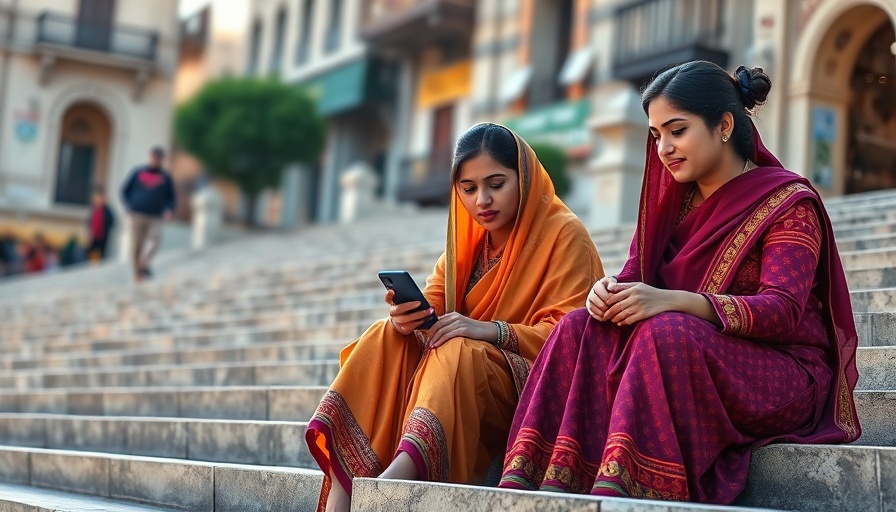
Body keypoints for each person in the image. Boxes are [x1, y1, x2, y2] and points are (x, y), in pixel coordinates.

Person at [499, 61, 861, 504]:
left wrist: (675, 302)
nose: (664, 148)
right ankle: (539, 485)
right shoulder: (672, 202)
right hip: (687, 350)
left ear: (724, 125)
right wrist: (607, 292)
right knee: (577, 326)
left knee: (665, 332)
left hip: (781, 371)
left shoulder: (788, 203)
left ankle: (630, 489)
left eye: (677, 131)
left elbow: (782, 312)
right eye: (655, 136)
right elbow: (636, 278)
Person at [305, 123, 605, 512]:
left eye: (496, 184)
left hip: (536, 384)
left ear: (525, 178)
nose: (483, 200)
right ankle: (345, 495)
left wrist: (490, 331)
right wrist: (404, 317)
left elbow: (573, 338)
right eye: (469, 188)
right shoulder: (467, 244)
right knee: (386, 335)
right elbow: (433, 301)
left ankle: (394, 483)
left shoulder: (564, 234)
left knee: (459, 347)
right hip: (460, 376)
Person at [121, 146, 175, 282]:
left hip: (155, 216)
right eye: (153, 157)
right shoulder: (137, 173)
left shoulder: (165, 177)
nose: (155, 160)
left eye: (158, 158)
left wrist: (169, 210)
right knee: (136, 246)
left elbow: (171, 197)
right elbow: (124, 191)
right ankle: (138, 274)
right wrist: (129, 206)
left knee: (156, 239)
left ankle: (144, 263)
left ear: (162, 160)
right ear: (149, 157)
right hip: (137, 214)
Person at [86, 186, 116, 261]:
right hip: (94, 234)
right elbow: (89, 221)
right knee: (91, 251)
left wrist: (106, 227)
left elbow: (112, 221)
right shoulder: (94, 209)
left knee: (102, 253)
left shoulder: (107, 210)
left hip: (103, 235)